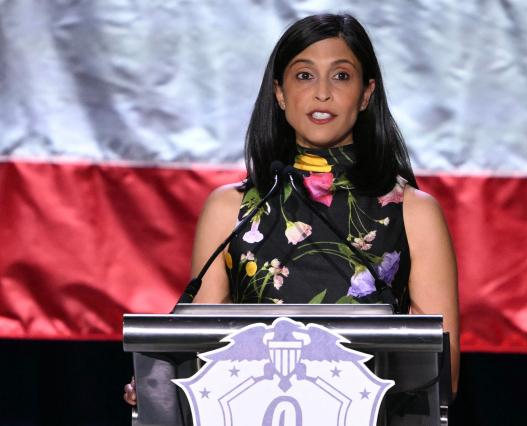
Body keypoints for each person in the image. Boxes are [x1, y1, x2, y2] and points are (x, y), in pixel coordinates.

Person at [125, 12, 459, 406]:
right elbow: (201, 349)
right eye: (304, 75)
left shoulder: (413, 211)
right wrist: (162, 382)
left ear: (366, 94)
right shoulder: (231, 209)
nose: (322, 93)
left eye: (341, 76)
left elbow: (441, 375)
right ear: (280, 94)